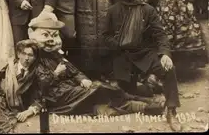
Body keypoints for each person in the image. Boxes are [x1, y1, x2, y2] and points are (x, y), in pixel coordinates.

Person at [28, 12, 164, 117]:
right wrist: (56, 73)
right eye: (46, 35)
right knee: (99, 90)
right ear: (32, 34)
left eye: (54, 35)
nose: (51, 40)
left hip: (70, 90)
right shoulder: (32, 56)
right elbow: (39, 85)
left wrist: (83, 79)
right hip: (56, 97)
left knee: (100, 92)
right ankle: (144, 105)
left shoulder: (56, 54)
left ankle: (144, 105)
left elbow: (74, 71)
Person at [103, 0, 182, 131]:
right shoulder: (112, 11)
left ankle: (171, 110)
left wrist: (165, 54)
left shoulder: (147, 10)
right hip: (123, 55)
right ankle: (150, 88)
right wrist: (119, 43)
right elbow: (105, 36)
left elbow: (160, 34)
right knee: (124, 94)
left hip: (145, 53)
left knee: (168, 69)